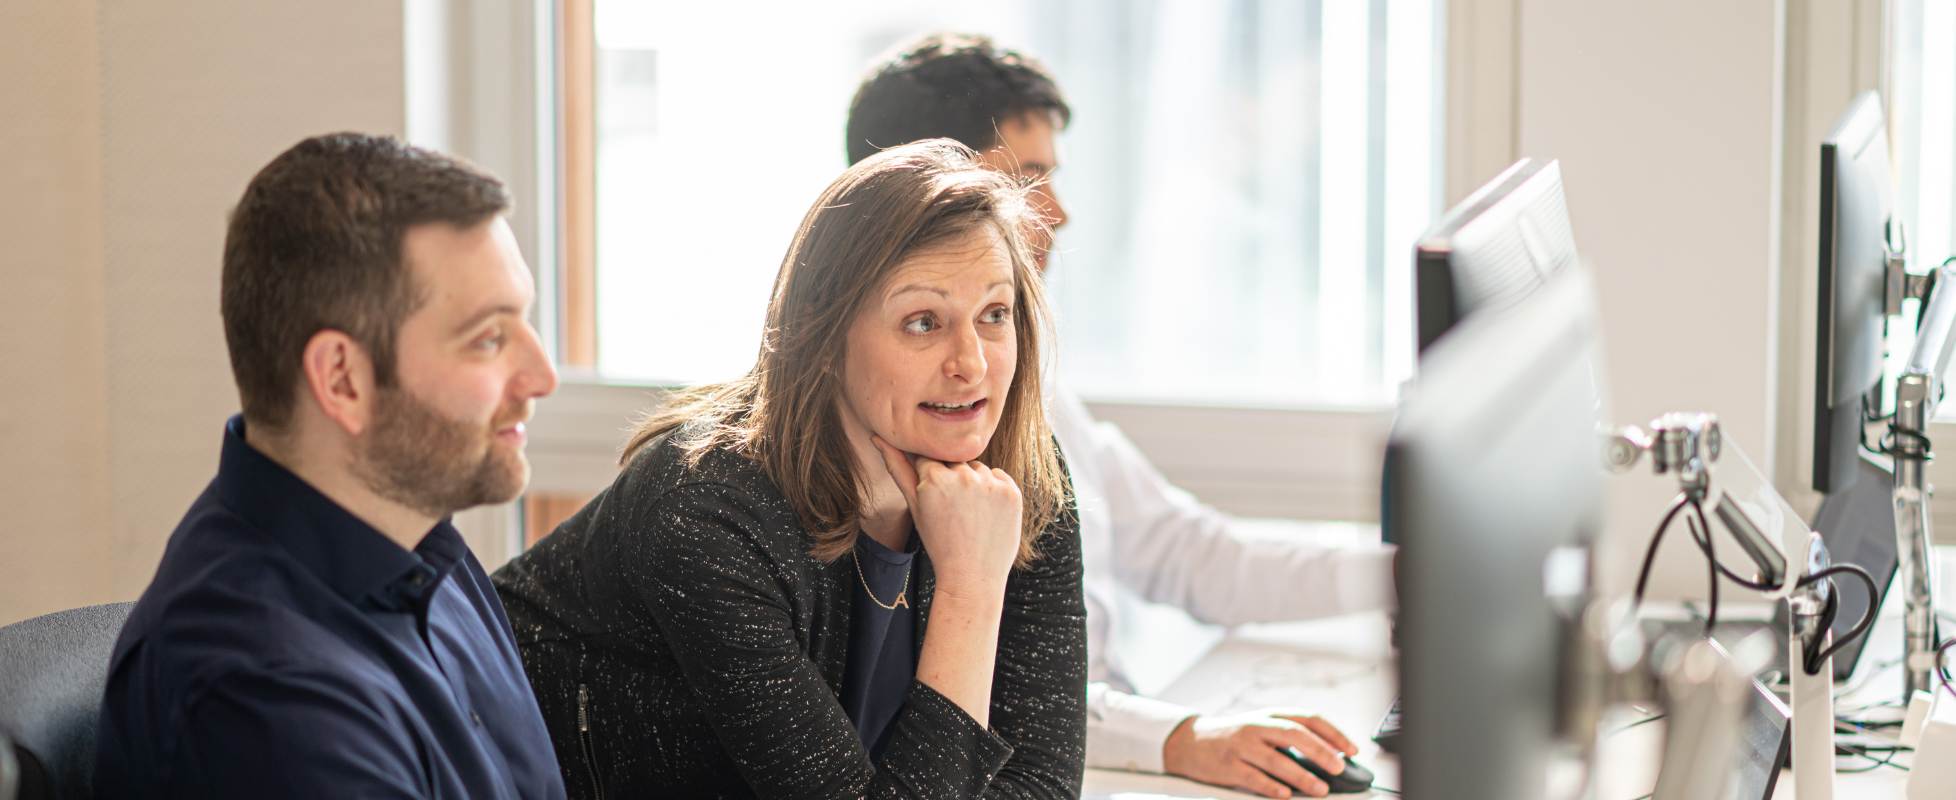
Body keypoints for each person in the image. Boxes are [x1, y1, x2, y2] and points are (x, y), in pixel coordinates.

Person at [846, 34, 1396, 799]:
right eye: (1025, 183)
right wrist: (1178, 736)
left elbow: (1187, 551)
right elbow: (982, 702)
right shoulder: (915, 418)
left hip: (1102, 756)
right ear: (926, 198)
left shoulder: (1023, 379)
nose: (1059, 215)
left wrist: (1410, 573)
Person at [491, 141, 1086, 799]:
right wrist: (970, 590)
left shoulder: (1018, 473)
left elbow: (1041, 782)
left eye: (994, 315)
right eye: (923, 322)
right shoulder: (706, 507)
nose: (971, 363)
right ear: (822, 332)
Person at [94, 134, 566, 800]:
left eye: (527, 322)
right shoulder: (263, 693)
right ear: (342, 379)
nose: (542, 375)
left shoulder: (426, 547)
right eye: (490, 337)